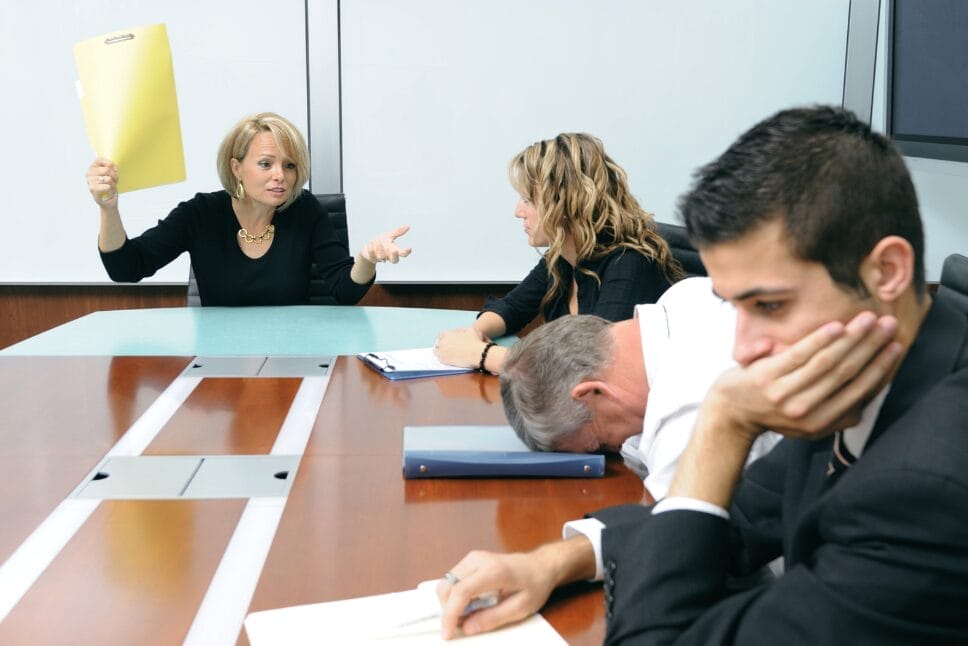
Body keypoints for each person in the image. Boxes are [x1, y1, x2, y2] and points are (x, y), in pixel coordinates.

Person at [435, 106, 968, 644]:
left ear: (888, 272)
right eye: (735, 306)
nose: (743, 348)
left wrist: (722, 422)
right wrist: (552, 563)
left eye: (770, 304)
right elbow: (737, 518)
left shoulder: (928, 487)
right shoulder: (870, 370)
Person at [86, 112, 411, 305]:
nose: (280, 176)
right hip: (219, 365)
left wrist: (367, 259)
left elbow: (344, 290)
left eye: (289, 165)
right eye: (266, 164)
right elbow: (126, 268)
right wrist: (108, 209)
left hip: (294, 356)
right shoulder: (200, 214)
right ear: (237, 168)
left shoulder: (305, 210)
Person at [500, 276, 780, 499]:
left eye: (602, 444)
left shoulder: (682, 420)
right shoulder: (683, 295)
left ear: (591, 392)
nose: (619, 447)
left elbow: (670, 537)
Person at [434, 133, 681, 374]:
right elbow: (512, 308)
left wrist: (482, 355)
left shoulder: (629, 263)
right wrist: (473, 334)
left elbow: (592, 366)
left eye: (528, 200)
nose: (518, 212)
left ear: (565, 204)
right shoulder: (562, 257)